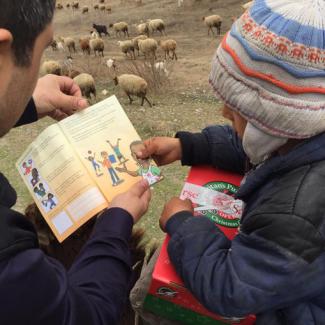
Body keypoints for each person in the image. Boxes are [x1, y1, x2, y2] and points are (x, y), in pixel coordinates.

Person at [134, 1, 325, 324]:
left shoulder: (300, 214)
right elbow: (251, 148)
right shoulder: (301, 142)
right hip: (285, 281)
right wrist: (187, 146)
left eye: (236, 110)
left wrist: (182, 225)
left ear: (275, 121)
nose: (224, 113)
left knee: (150, 300)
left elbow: (231, 289)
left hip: (290, 313)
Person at [0, 1, 151, 324]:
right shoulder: (7, 261)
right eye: (42, 52)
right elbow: (81, 315)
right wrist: (115, 224)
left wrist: (24, 104)